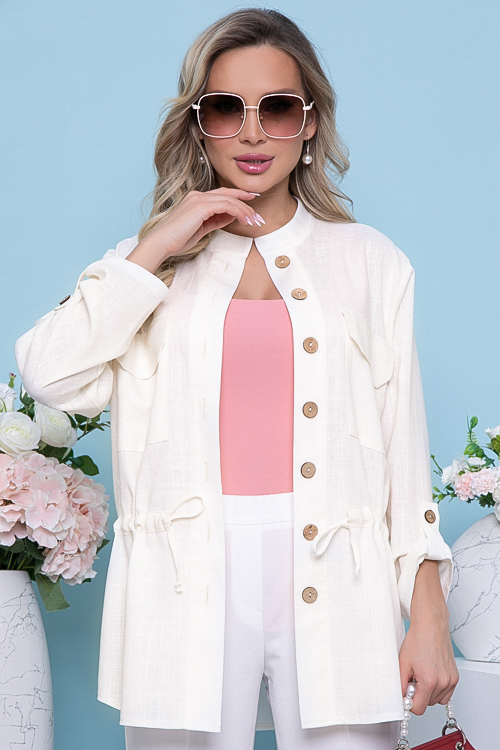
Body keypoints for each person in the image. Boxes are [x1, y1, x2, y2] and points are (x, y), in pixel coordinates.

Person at [15, 8, 459, 750]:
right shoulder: (149, 264)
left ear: (309, 123)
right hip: (184, 578)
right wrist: (156, 245)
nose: (253, 134)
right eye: (227, 109)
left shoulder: (369, 261)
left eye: (276, 109)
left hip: (340, 575)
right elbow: (49, 374)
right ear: (199, 125)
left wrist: (430, 614)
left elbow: (404, 457)